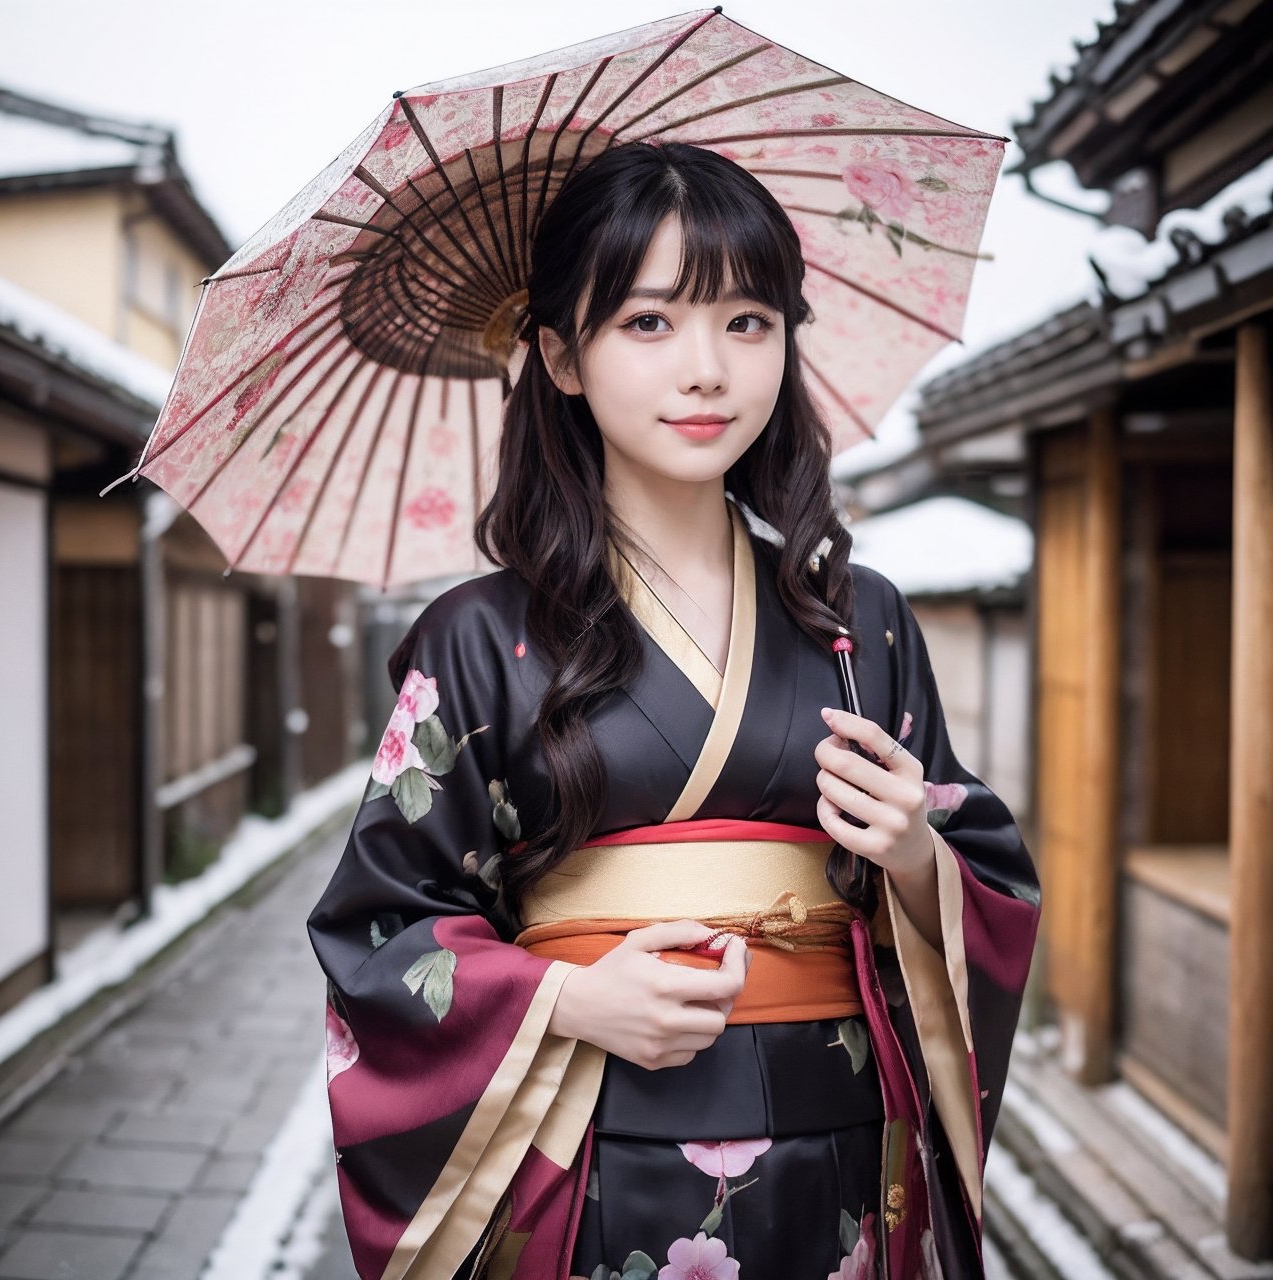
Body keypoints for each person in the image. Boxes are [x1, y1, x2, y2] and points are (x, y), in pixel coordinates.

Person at [306, 140, 1040, 1280]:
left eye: (747, 321)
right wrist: (568, 995)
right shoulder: (475, 635)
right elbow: (379, 928)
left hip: (842, 1151)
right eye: (648, 323)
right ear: (559, 353)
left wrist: (911, 855)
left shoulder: (861, 619)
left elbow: (981, 871)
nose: (707, 369)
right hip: (589, 1148)